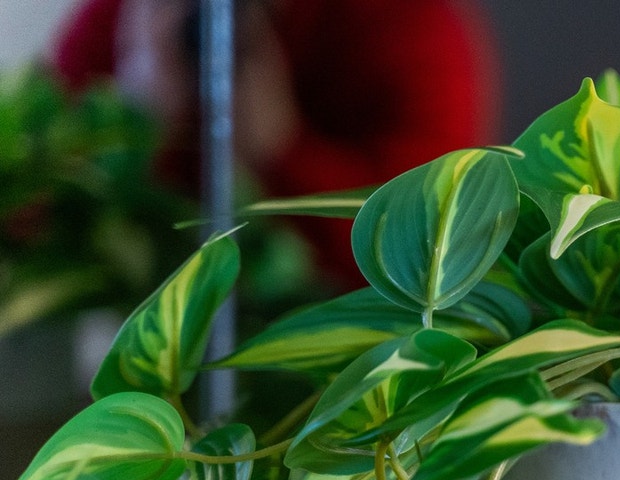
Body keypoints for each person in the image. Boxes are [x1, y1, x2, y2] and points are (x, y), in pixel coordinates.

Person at [52, 0, 501, 285]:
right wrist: (131, 126)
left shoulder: (410, 27)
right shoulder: (131, 20)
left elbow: (434, 246)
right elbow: (31, 217)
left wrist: (283, 152)